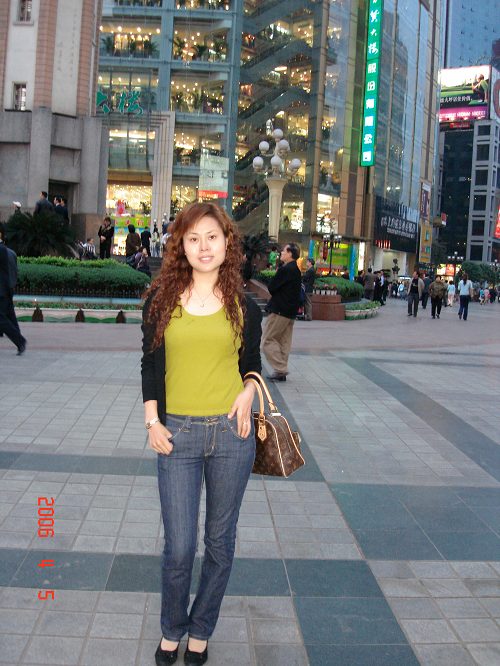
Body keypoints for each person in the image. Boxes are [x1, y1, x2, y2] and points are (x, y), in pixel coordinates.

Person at [141, 201, 262, 666]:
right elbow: (150, 366)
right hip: (178, 435)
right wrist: (153, 421)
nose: (204, 246)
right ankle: (172, 627)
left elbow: (251, 364)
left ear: (227, 242)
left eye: (212, 237)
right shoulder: (160, 301)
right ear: (182, 246)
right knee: (179, 547)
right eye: (193, 238)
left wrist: (250, 390)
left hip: (232, 434)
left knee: (219, 544)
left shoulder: (244, 305)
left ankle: (201, 630)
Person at [261, 243, 302, 381]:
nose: (281, 253)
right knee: (284, 341)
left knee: (268, 340)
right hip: (290, 312)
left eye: (284, 251)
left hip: (279, 310)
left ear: (290, 253)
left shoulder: (285, 269)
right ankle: (280, 372)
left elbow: (272, 287)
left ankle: (281, 369)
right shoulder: (296, 269)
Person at [0, 242, 26, 355]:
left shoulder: (2, 251)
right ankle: (19, 341)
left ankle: (20, 340)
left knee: (1, 318)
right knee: (10, 315)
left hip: (2, 291)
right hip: (7, 289)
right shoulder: (9, 252)